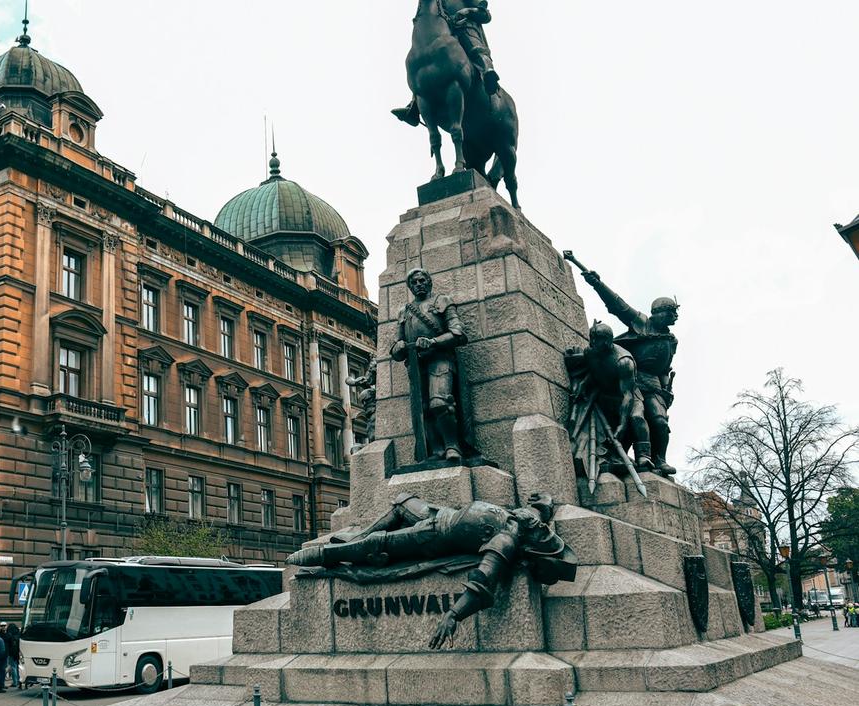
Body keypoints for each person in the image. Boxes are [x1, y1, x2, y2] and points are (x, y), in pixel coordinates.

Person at [286, 492, 576, 649]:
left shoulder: (506, 541)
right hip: (438, 514)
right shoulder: (526, 520)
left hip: (431, 538)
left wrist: (452, 615)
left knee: (376, 544)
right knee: (401, 501)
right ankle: (359, 535)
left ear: (531, 544)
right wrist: (544, 504)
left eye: (541, 532)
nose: (539, 526)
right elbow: (544, 505)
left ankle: (326, 554)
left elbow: (482, 583)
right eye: (542, 527)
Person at [578, 269, 680, 476]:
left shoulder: (671, 341)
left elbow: (664, 368)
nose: (675, 317)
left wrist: (666, 388)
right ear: (658, 313)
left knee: (660, 422)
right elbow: (617, 305)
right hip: (630, 378)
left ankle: (660, 460)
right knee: (636, 420)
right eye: (671, 313)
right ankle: (637, 457)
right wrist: (597, 283)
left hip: (653, 385)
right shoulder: (642, 323)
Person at [388, 268, 468, 462]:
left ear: (429, 282)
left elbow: (459, 333)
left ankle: (452, 446)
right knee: (422, 409)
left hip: (440, 359)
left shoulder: (442, 301)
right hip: (415, 364)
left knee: (440, 403)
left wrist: (433, 342)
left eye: (422, 280)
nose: (419, 284)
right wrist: (398, 347)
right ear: (410, 287)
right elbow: (395, 347)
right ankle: (437, 450)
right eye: (414, 282)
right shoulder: (404, 311)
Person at [565, 321, 655, 471]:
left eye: (597, 339)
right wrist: (583, 385)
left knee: (636, 418)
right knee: (609, 433)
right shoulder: (590, 351)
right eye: (591, 338)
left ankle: (644, 456)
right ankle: (615, 457)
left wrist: (622, 423)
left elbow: (627, 395)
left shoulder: (624, 361)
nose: (592, 342)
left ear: (607, 341)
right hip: (606, 397)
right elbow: (595, 371)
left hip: (628, 397)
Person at [396, 0, 502, 126]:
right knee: (424, 56)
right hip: (442, 32)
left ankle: (488, 73)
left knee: (475, 47)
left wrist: (467, 11)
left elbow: (485, 15)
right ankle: (415, 104)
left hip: (464, 28)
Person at [2, 621, 22, 689]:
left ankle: (15, 682)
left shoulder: (10, 635)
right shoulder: (18, 634)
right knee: (17, 667)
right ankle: (19, 680)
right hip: (18, 653)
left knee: (13, 667)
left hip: (11, 653)